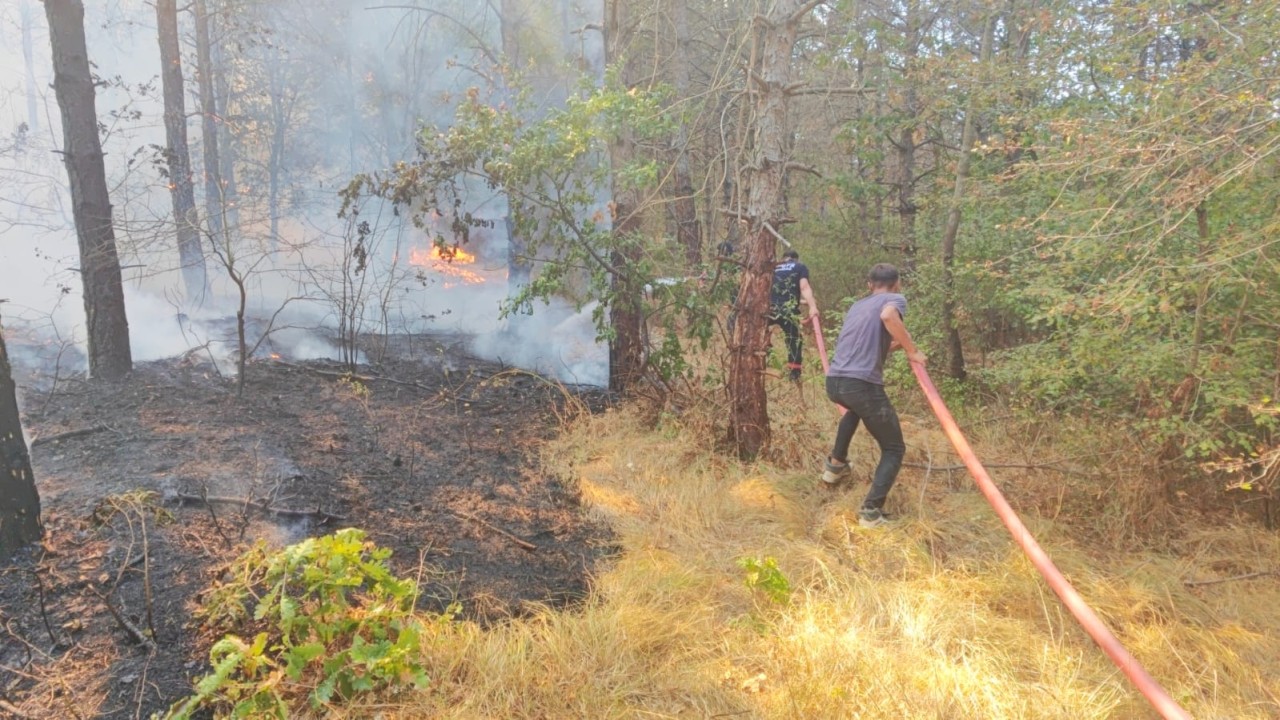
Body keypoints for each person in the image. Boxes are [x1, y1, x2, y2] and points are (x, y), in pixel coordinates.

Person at [821, 263, 926, 527]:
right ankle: (871, 512)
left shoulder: (858, 306)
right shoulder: (894, 299)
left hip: (834, 382)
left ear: (870, 285)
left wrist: (898, 345)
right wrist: (912, 350)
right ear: (897, 282)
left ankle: (835, 467)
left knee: (855, 410)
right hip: (861, 385)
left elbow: (867, 342)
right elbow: (889, 317)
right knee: (894, 448)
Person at [768, 249, 819, 382]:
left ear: (783, 258)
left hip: (769, 309)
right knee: (794, 341)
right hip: (788, 310)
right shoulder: (800, 267)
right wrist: (812, 306)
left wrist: (802, 302)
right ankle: (794, 374)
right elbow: (804, 287)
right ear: (796, 259)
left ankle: (765, 360)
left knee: (761, 335)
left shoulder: (774, 267)